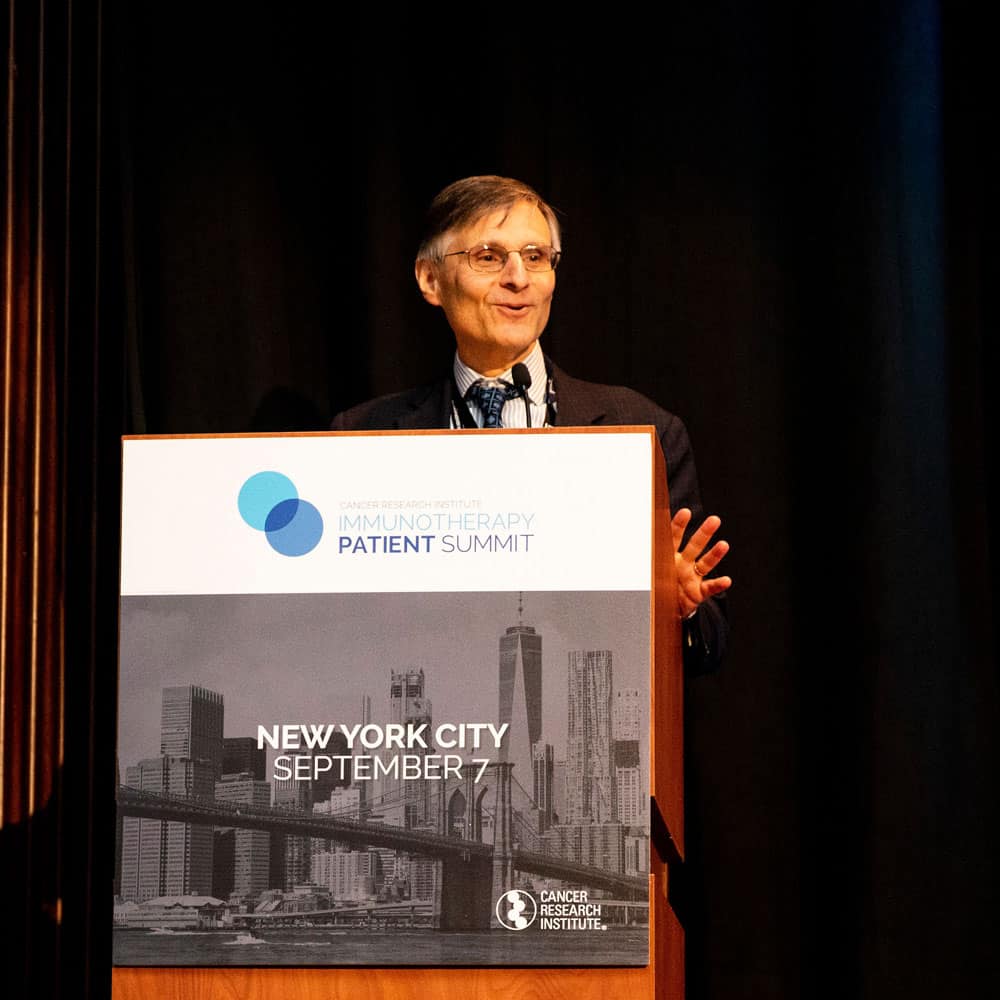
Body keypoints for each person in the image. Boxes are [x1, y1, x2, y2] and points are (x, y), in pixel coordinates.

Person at [332, 175, 731, 672]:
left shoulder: (641, 430)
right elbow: (348, 630)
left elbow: (708, 650)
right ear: (430, 280)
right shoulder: (365, 436)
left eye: (536, 257)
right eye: (489, 256)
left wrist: (682, 609)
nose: (518, 277)